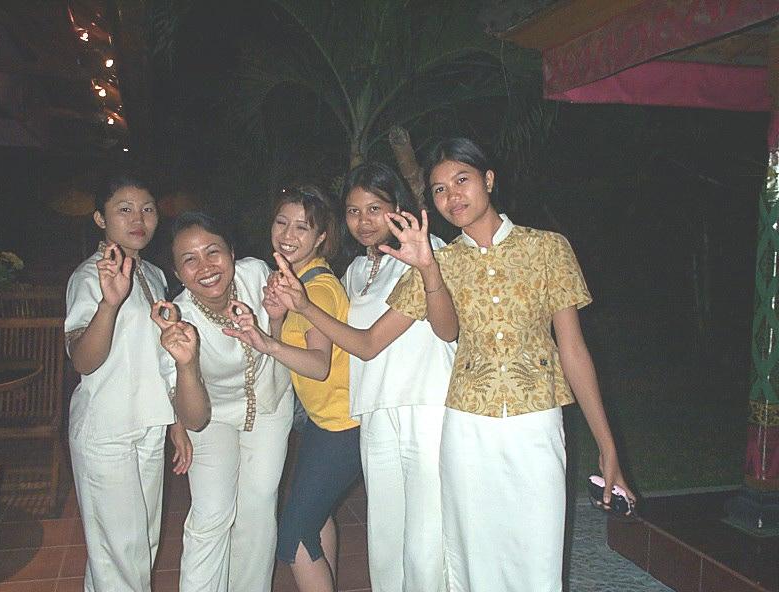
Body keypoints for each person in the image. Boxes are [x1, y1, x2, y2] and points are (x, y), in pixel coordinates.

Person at [274, 138, 636, 591]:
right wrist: (429, 271)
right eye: (440, 189)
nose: (453, 196)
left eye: (462, 180)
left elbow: (574, 349)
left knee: (538, 547)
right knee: (470, 552)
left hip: (534, 416)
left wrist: (606, 442)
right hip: (465, 421)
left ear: (489, 179)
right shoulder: (438, 258)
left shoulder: (546, 248)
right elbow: (445, 330)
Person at [266, 164, 455, 591]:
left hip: (423, 409)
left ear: (397, 207)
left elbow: (368, 344)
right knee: (386, 537)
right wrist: (284, 315)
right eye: (353, 211)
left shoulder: (424, 256)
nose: (363, 221)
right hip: (373, 413)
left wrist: (303, 307)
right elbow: (339, 341)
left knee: (427, 538)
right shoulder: (355, 272)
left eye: (374, 208)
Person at [65, 173, 210, 592]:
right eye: (124, 209)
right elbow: (83, 360)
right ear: (100, 218)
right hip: (107, 429)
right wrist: (109, 305)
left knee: (138, 546)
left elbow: (162, 359)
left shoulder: (153, 274)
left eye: (147, 209)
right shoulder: (89, 277)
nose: (138, 218)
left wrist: (175, 424)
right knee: (119, 553)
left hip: (147, 426)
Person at [224, 185, 361, 592]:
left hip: (343, 427)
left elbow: (318, 365)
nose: (288, 234)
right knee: (315, 518)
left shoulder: (317, 288)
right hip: (325, 423)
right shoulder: (296, 282)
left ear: (321, 237)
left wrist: (267, 342)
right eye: (282, 222)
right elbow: (295, 348)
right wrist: (276, 319)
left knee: (294, 535)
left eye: (302, 227)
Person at [167, 211, 294, 592]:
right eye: (190, 260)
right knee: (212, 512)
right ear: (177, 273)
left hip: (270, 404)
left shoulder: (256, 276)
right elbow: (194, 416)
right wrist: (186, 364)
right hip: (211, 416)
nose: (206, 267)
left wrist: (275, 320)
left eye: (213, 251)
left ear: (232, 252)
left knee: (258, 508)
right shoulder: (179, 319)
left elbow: (284, 339)